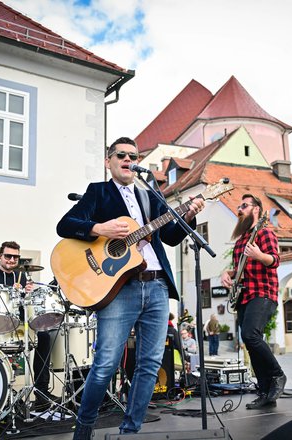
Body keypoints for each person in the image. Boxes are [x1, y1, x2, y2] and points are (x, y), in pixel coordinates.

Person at [56, 137, 204, 438]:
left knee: (149, 364)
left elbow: (172, 237)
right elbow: (65, 225)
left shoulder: (150, 194)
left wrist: (189, 215)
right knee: (106, 364)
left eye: (133, 155)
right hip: (119, 289)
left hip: (157, 286)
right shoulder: (99, 192)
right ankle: (84, 427)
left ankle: (130, 430)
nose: (127, 159)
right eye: (120, 155)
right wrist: (99, 228)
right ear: (108, 161)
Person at [0, 241, 58, 410]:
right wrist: (11, 290)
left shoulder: (21, 276)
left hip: (17, 324)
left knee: (44, 336)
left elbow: (23, 306)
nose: (12, 259)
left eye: (15, 257)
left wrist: (27, 294)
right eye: (8, 256)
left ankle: (41, 392)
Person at [221, 194, 286, 410]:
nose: (240, 209)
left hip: (263, 293)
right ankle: (265, 390)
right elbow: (239, 268)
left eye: (245, 205)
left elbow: (274, 260)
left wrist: (259, 255)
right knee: (249, 340)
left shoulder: (265, 232)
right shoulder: (240, 241)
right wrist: (227, 273)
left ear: (257, 209)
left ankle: (277, 375)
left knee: (250, 334)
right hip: (245, 295)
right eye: (240, 205)